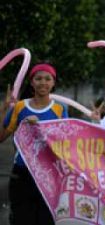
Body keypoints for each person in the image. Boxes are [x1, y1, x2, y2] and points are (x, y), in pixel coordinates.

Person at [0, 63, 68, 225]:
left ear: (53, 83)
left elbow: (64, 143)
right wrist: (4, 108)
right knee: (21, 219)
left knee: (45, 220)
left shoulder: (60, 109)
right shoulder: (20, 107)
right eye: (38, 79)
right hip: (22, 174)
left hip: (49, 174)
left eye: (47, 79)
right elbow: (1, 137)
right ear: (32, 82)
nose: (43, 82)